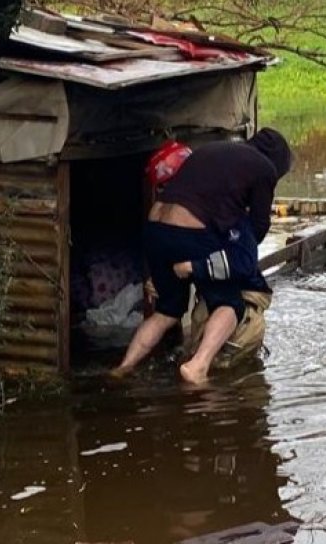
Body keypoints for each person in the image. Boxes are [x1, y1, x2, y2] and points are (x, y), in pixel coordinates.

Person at [111, 128, 292, 385]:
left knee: (167, 311)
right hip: (189, 232)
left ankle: (124, 367)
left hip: (155, 228)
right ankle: (198, 365)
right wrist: (236, 251)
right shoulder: (265, 168)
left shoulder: (213, 150)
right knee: (230, 304)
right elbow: (258, 226)